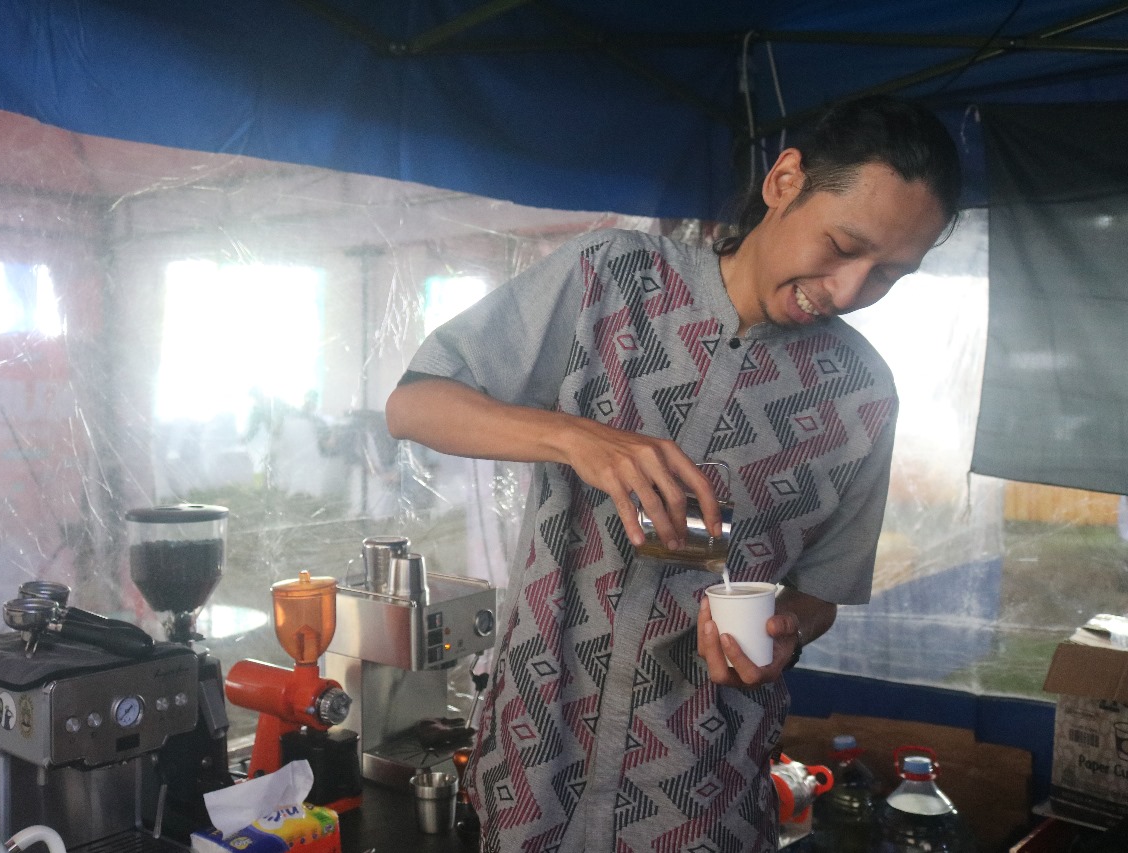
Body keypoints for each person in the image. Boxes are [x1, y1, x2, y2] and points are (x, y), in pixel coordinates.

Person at [386, 95, 961, 852]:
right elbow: (414, 403)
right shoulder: (611, 279)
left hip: (698, 786)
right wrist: (576, 437)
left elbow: (821, 590)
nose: (848, 291)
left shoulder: (860, 394)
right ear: (785, 180)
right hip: (537, 754)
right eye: (842, 245)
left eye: (888, 273)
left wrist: (786, 629)